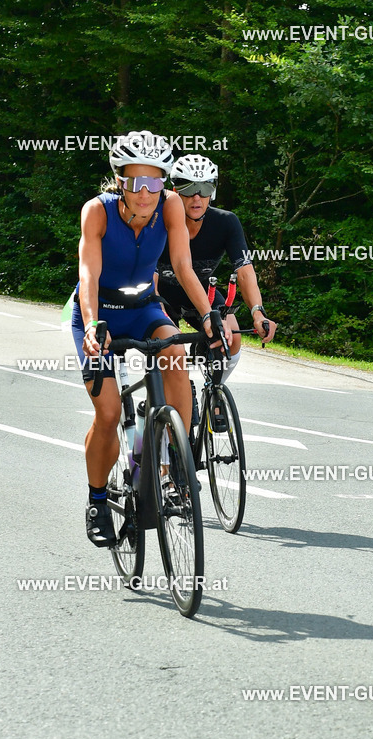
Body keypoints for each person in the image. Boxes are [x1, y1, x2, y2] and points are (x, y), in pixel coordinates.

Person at [74, 131, 231, 547]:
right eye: (136, 182)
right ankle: (97, 500)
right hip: (99, 314)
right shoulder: (98, 211)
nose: (146, 193)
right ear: (120, 181)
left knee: (175, 353)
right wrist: (92, 326)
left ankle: (177, 462)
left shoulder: (172, 205)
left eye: (155, 182)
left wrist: (207, 314)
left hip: (144, 307)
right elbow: (87, 275)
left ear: (164, 182)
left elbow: (182, 264)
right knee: (108, 414)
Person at [155, 154, 276, 384]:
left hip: (201, 293)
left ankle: (214, 394)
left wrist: (258, 312)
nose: (197, 197)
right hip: (162, 294)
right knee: (170, 351)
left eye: (205, 188)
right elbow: (148, 277)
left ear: (214, 191)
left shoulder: (226, 222)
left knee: (232, 338)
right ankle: (157, 400)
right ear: (174, 190)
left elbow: (245, 270)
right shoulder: (158, 220)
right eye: (188, 189)